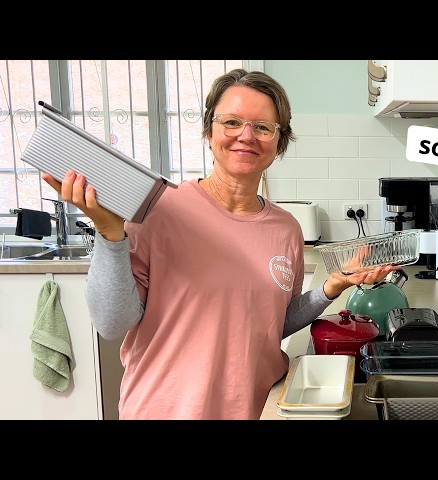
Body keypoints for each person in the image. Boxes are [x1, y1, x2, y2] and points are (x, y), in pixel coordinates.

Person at [42, 68, 398, 420]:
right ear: (209, 131)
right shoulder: (158, 209)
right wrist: (109, 233)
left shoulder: (285, 228)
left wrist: (330, 286)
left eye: (262, 127)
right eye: (231, 122)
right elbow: (112, 323)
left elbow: (269, 323)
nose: (246, 136)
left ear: (279, 142)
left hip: (255, 408)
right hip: (166, 410)